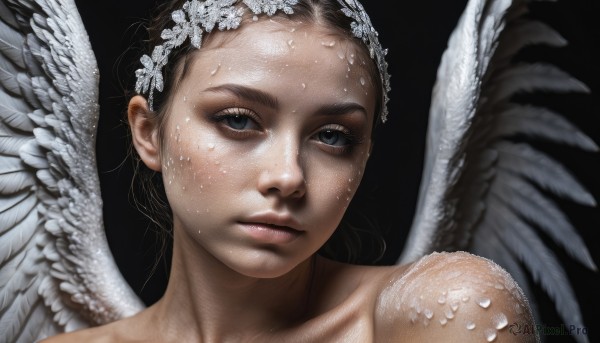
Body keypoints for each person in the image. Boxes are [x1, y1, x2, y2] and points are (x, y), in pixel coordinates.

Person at [41, 0, 537, 341]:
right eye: (238, 120)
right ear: (149, 132)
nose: (288, 177)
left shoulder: (447, 307)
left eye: (333, 136)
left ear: (363, 156)